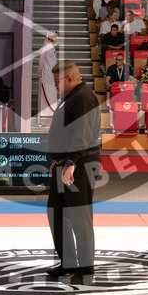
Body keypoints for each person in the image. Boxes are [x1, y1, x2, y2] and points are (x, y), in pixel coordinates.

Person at [46, 60, 101, 278]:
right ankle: (68, 262)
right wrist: (59, 159)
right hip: (67, 163)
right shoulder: (70, 98)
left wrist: (70, 162)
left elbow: (82, 134)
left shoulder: (84, 97)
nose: (55, 86)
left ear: (70, 79)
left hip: (80, 165)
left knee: (80, 215)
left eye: (57, 81)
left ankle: (85, 267)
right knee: (57, 213)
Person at [38, 30, 59, 117]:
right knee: (46, 92)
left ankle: (52, 111)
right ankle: (46, 112)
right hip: (46, 74)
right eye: (54, 36)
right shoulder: (45, 47)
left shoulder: (52, 47)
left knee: (52, 93)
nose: (56, 38)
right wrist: (39, 72)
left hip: (53, 75)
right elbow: (41, 61)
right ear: (49, 37)